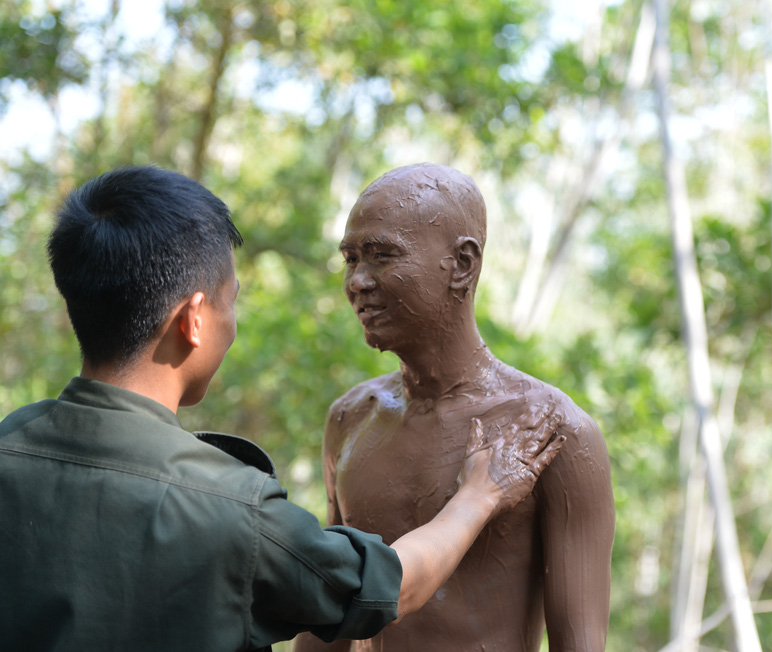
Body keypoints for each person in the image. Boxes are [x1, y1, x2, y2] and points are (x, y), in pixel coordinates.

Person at [0, 166, 565, 651]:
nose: (357, 283)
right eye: (231, 301)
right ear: (193, 320)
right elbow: (388, 586)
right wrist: (475, 499)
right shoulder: (233, 509)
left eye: (379, 256)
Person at [295, 163, 615, 652]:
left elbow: (581, 645)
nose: (358, 281)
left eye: (382, 256)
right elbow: (332, 610)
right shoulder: (351, 417)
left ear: (462, 264)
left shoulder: (552, 432)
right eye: (351, 259)